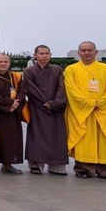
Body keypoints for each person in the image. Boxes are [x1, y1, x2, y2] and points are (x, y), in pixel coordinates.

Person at [64, 41, 106, 180]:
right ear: (78, 53)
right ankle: (83, 169)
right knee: (83, 140)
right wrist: (88, 103)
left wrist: (99, 103)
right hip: (81, 112)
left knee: (104, 140)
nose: (86, 53)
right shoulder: (71, 70)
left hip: (102, 111)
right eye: (83, 50)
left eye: (89, 50)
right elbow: (71, 90)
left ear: (96, 52)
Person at [23, 45, 69, 175]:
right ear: (35, 55)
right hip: (37, 108)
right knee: (37, 136)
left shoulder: (57, 69)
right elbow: (31, 89)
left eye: (46, 53)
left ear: (50, 55)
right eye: (41, 53)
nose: (44, 56)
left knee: (57, 137)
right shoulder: (29, 71)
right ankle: (36, 164)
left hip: (56, 108)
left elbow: (62, 87)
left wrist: (55, 102)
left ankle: (57, 166)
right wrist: (45, 103)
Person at [0, 53, 26, 174]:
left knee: (11, 139)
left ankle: (8, 163)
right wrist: (10, 103)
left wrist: (15, 104)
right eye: (0, 62)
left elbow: (22, 92)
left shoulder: (16, 76)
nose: (3, 64)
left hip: (12, 115)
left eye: (6, 62)